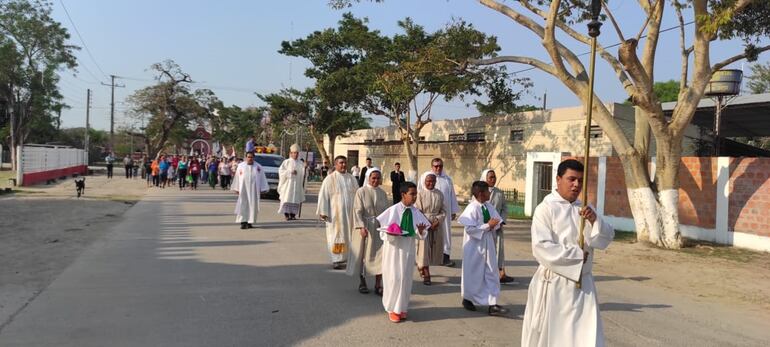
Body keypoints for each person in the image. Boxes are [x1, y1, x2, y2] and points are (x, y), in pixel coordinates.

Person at [521, 159, 615, 347]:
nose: (576, 185)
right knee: (556, 336)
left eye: (580, 180)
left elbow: (604, 239)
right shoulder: (545, 209)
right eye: (571, 179)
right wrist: (576, 255)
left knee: (584, 336)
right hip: (556, 282)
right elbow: (541, 247)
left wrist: (595, 220)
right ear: (558, 179)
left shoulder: (584, 209)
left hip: (583, 284)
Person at [376, 182, 430, 323]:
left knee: (405, 279)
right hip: (393, 250)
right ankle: (392, 308)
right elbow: (383, 232)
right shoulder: (393, 210)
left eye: (415, 194)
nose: (414, 197)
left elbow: (421, 234)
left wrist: (420, 231)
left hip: (407, 250)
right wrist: (391, 234)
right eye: (412, 194)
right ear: (403, 194)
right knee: (393, 278)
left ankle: (402, 308)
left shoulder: (416, 212)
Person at [459, 181, 509, 317]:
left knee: (492, 272)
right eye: (487, 191)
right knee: (473, 273)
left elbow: (497, 221)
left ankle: (493, 303)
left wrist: (494, 225)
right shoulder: (472, 208)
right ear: (481, 193)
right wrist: (487, 226)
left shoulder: (488, 206)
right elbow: (470, 229)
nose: (489, 193)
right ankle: (468, 298)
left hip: (488, 244)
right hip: (474, 247)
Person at [348, 167, 388, 295]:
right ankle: (363, 282)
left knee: (381, 256)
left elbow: (387, 212)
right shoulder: (361, 191)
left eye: (378, 178)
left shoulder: (382, 193)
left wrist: (387, 227)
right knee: (364, 256)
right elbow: (357, 211)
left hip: (379, 228)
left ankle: (378, 284)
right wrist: (361, 227)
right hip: (365, 228)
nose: (376, 180)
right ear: (368, 178)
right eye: (373, 178)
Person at [316, 155, 358, 270]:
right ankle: (337, 259)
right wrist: (323, 211)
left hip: (350, 215)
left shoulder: (352, 179)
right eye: (341, 163)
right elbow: (323, 195)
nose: (343, 165)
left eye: (345, 163)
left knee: (349, 235)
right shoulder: (329, 179)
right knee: (337, 236)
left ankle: (349, 258)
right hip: (335, 215)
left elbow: (358, 196)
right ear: (335, 165)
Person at [417, 158, 460, 267]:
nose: (438, 168)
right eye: (436, 166)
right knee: (427, 236)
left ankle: (445, 257)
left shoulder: (447, 180)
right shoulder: (425, 177)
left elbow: (452, 195)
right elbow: (419, 194)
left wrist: (453, 210)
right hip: (427, 212)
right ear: (432, 167)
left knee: (445, 235)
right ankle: (426, 258)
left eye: (440, 166)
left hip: (443, 212)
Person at [480, 169, 515, 284]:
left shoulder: (499, 192)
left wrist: (502, 221)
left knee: (499, 250)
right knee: (487, 250)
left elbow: (504, 208)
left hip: (498, 226)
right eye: (490, 177)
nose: (493, 179)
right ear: (485, 178)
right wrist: (486, 223)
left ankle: (501, 273)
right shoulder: (480, 193)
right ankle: (486, 274)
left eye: (494, 177)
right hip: (486, 227)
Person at [414, 173, 445, 285]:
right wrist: (427, 224)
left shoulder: (440, 194)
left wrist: (437, 221)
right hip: (423, 224)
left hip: (436, 224)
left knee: (434, 248)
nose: (430, 183)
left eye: (433, 181)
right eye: (428, 181)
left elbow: (443, 210)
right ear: (424, 182)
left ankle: (422, 265)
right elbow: (417, 211)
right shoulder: (420, 194)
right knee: (424, 248)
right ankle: (426, 271)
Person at [231, 152, 269, 229]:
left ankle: (249, 222)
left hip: (254, 191)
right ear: (245, 158)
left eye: (251, 157)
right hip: (243, 190)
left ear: (254, 158)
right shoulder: (241, 166)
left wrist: (263, 188)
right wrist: (236, 188)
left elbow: (262, 178)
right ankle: (243, 222)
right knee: (243, 205)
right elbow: (237, 177)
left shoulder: (258, 167)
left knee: (252, 206)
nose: (250, 159)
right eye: (248, 157)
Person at [277, 144, 306, 221]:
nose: (295, 154)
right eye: (294, 153)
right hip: (288, 185)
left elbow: (304, 174)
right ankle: (286, 215)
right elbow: (281, 171)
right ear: (291, 153)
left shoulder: (301, 163)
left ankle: (293, 215)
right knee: (287, 198)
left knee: (295, 199)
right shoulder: (286, 162)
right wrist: (290, 172)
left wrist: (305, 168)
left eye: (297, 153)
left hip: (297, 185)